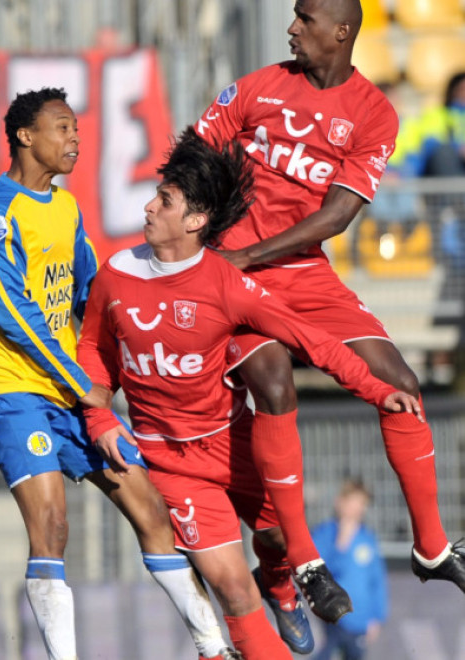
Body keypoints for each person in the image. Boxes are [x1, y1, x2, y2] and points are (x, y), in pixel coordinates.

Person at [75, 128, 419, 660]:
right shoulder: (115, 275)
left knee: (280, 539)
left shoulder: (226, 283)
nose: (148, 206)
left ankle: (282, 587)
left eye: (163, 200)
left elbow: (313, 340)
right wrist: (98, 419)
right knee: (233, 589)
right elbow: (93, 350)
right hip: (170, 461)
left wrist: (377, 389)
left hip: (233, 445)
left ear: (195, 221)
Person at [195, 0, 465, 622]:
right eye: (292, 16)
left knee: (400, 382)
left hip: (302, 271)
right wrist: (213, 250)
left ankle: (430, 547)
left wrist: (254, 253)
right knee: (273, 381)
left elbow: (338, 215)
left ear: (341, 31)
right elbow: (192, 161)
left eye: (305, 18)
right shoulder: (255, 89)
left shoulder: (374, 113)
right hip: (232, 277)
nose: (292, 27)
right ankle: (306, 563)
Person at [0, 87, 233, 660]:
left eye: (77, 130)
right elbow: (14, 314)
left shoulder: (64, 206)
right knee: (53, 525)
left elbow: (91, 289)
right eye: (62, 128)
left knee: (150, 509)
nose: (74, 140)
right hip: (13, 391)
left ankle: (214, 648)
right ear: (24, 136)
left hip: (71, 393)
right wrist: (80, 379)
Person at [311, 480, 388, 660]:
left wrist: (377, 616)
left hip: (360, 618)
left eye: (362, 504)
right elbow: (319, 573)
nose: (358, 509)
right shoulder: (324, 534)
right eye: (354, 502)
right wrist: (341, 545)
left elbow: (377, 581)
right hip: (333, 615)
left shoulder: (367, 539)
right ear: (340, 502)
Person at [390, 71, 465, 179]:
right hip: (449, 170)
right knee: (444, 153)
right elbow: (428, 144)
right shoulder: (437, 114)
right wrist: (457, 148)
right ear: (453, 91)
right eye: (462, 89)